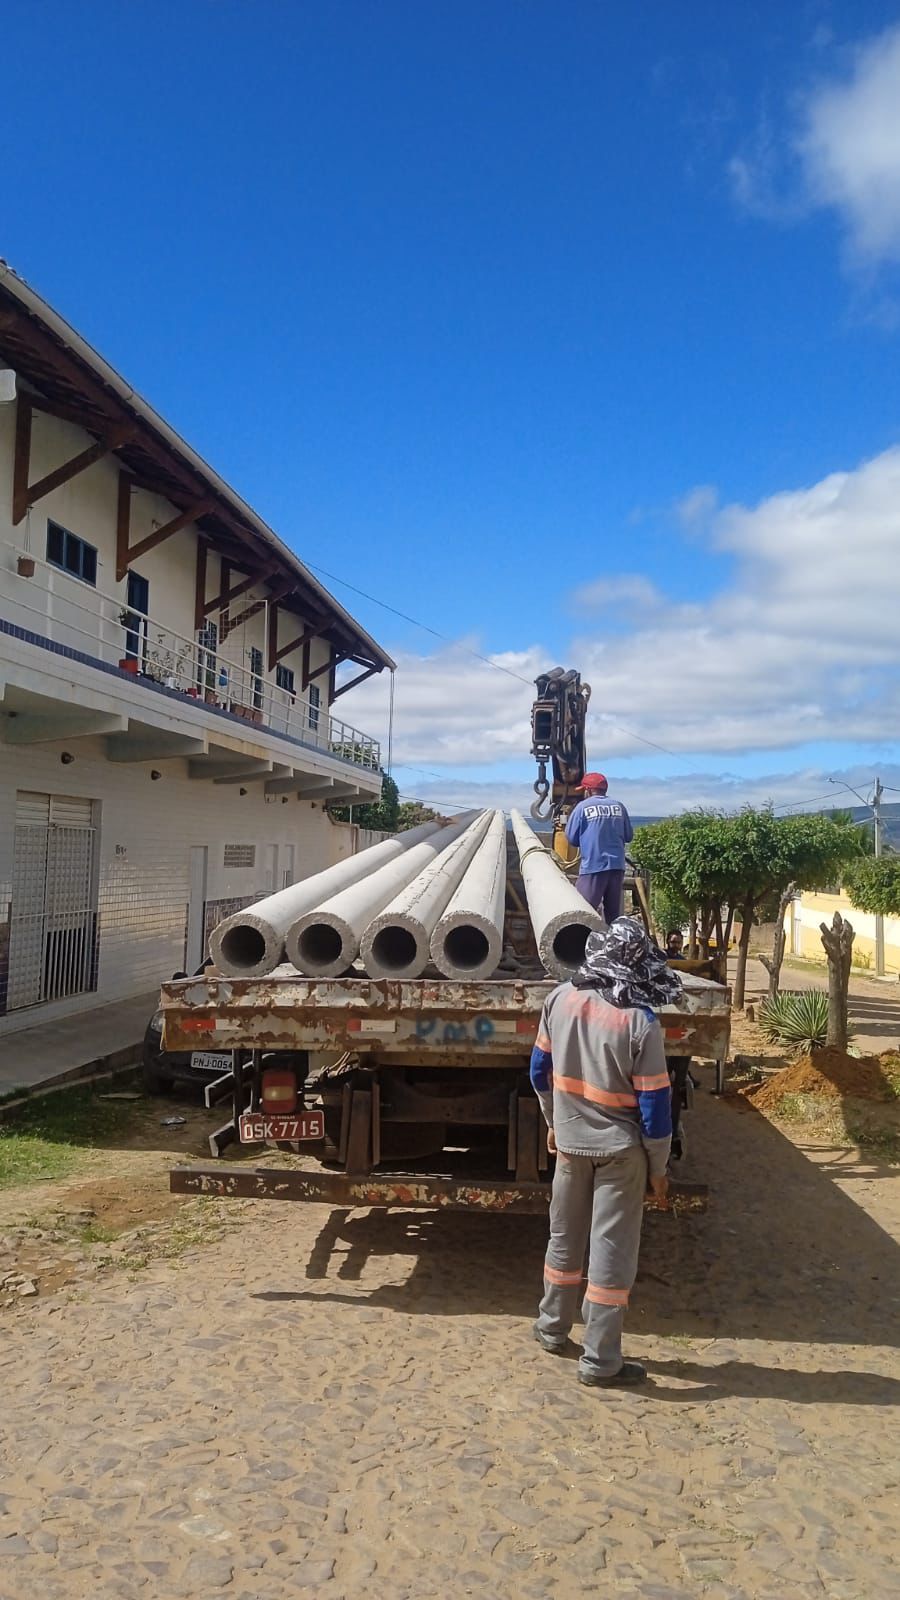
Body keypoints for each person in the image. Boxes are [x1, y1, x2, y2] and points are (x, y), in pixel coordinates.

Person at [529, 918, 682, 1387]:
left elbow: (539, 1071)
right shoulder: (641, 1022)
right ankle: (599, 1361)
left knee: (564, 1238)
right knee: (611, 1254)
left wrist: (554, 1123)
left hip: (571, 1147)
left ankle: (551, 1329)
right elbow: (656, 1107)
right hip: (621, 1154)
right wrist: (659, 1170)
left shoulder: (559, 999)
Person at [565, 773, 633, 924]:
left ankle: (581, 947)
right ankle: (613, 945)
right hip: (617, 867)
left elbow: (571, 839)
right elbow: (628, 836)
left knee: (582, 914)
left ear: (587, 791)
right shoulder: (619, 807)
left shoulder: (582, 808)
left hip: (593, 867)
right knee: (613, 917)